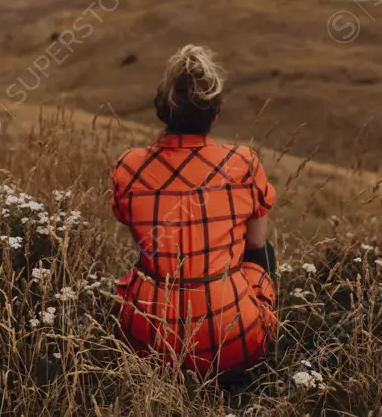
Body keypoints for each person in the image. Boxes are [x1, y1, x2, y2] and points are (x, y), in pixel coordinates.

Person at [111, 44, 278, 374]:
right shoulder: (243, 162)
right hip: (234, 345)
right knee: (264, 254)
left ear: (162, 109)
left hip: (148, 343)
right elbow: (256, 245)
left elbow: (145, 245)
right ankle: (262, 361)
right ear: (213, 114)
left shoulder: (128, 167)